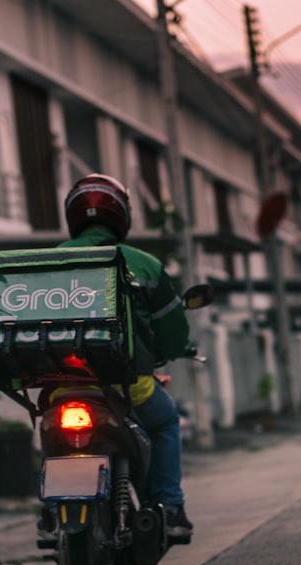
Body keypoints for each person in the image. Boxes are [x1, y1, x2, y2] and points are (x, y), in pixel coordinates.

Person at [58, 173, 193, 540]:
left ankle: (52, 512)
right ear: (121, 216)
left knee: (51, 430)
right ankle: (170, 506)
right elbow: (172, 329)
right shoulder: (142, 264)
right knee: (166, 423)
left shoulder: (47, 261)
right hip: (128, 386)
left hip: (61, 386)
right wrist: (176, 350)